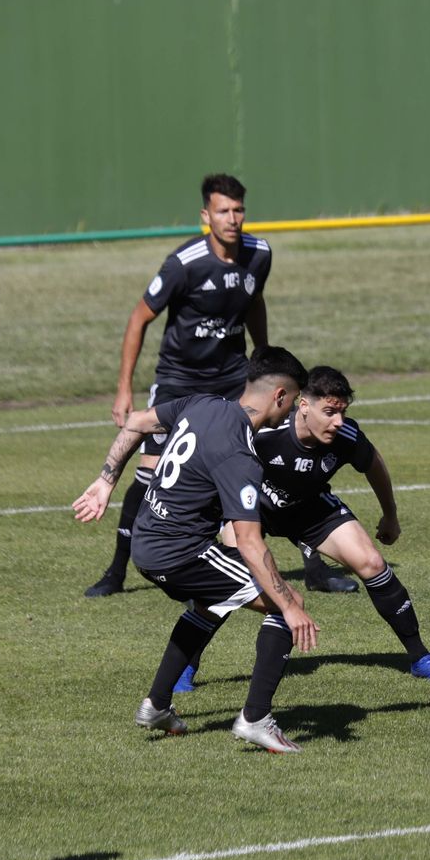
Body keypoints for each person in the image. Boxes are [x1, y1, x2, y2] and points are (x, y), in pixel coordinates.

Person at [84, 172, 356, 598]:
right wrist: (123, 389)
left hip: (235, 379)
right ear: (205, 215)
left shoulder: (259, 254)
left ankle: (315, 563)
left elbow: (255, 303)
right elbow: (139, 318)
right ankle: (117, 571)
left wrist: (269, 363)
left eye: (239, 209)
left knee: (278, 461)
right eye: (223, 210)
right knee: (150, 473)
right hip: (179, 381)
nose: (232, 218)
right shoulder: (183, 263)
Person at [73, 347, 321, 753]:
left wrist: (105, 480)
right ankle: (256, 718)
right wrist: (290, 606)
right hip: (179, 552)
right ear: (279, 396)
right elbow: (249, 542)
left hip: (147, 538)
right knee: (284, 600)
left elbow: (136, 423)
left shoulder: (203, 404)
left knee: (212, 604)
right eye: (293, 402)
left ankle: (156, 705)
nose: (292, 412)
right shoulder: (239, 455)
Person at [236, 365, 430, 684]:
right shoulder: (265, 430)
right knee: (224, 580)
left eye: (342, 412)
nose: (337, 421)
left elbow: (374, 464)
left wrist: (390, 515)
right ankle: (186, 666)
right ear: (303, 405)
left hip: (308, 509)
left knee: (371, 562)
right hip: (251, 507)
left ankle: (421, 657)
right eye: (329, 412)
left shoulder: (346, 435)